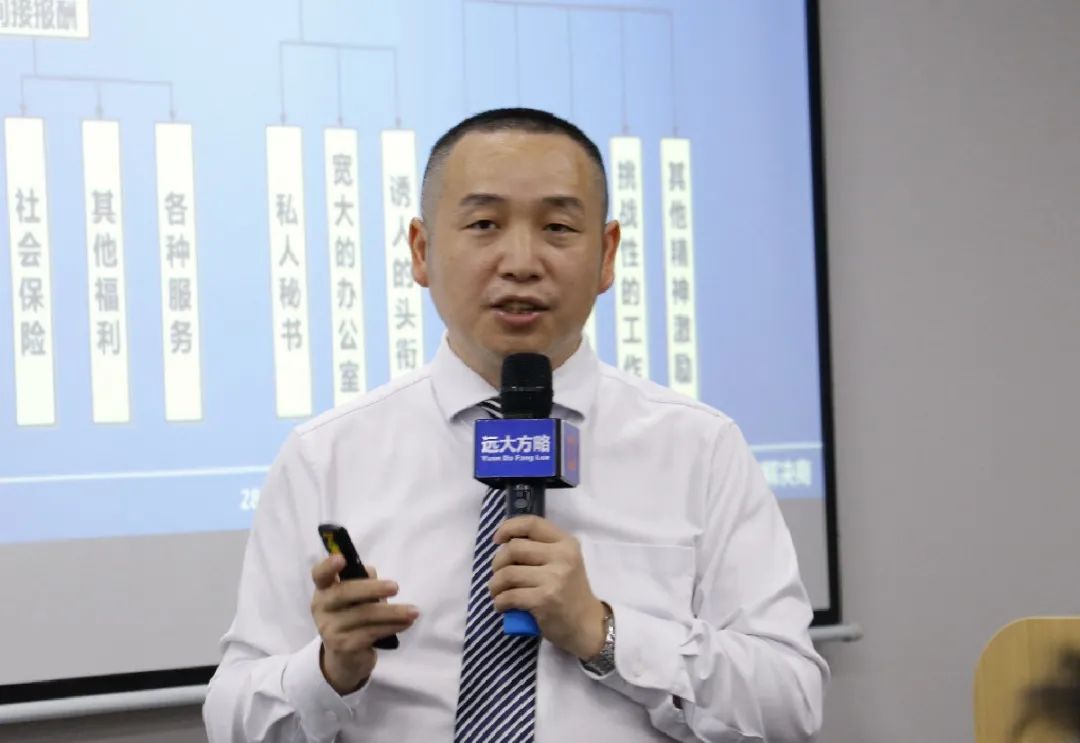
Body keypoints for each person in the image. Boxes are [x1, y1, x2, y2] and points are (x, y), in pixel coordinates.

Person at [203, 107, 828, 742]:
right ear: (421, 251)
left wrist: (605, 632)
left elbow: (790, 705)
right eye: (484, 224)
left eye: (558, 227)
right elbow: (231, 718)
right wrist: (329, 672)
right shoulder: (325, 456)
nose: (521, 262)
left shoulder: (699, 448)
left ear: (607, 255)